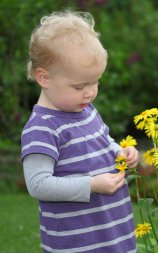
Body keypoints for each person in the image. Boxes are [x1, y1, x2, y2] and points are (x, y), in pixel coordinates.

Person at [21, 10, 138, 253]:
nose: (91, 92)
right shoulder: (42, 128)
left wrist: (121, 152)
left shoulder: (86, 110)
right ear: (44, 77)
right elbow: (38, 184)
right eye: (80, 85)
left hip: (112, 233)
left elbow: (103, 142)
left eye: (96, 82)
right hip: (78, 243)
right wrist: (92, 185)